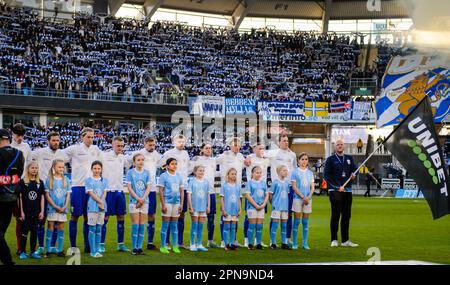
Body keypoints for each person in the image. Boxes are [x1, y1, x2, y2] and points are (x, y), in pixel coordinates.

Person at [63, 127, 102, 255]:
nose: (91, 139)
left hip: (91, 188)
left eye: (92, 137)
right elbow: (59, 157)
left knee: (88, 217)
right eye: (88, 137)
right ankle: (73, 246)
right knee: (75, 216)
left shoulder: (95, 150)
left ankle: (88, 245)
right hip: (77, 187)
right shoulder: (74, 149)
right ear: (82, 137)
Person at [30, 131, 67, 255]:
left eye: (57, 140)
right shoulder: (40, 152)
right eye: (53, 140)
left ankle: (52, 246)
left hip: (58, 192)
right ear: (48, 141)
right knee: (42, 219)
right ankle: (41, 246)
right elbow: (28, 159)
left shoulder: (63, 154)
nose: (56, 142)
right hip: (43, 190)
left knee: (56, 221)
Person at [324, 139, 359, 248]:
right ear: (335, 147)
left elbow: (354, 171)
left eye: (341, 144)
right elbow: (326, 175)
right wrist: (336, 186)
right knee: (335, 214)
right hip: (335, 191)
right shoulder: (330, 160)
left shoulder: (349, 158)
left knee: (346, 215)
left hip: (347, 190)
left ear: (344, 146)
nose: (339, 146)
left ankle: (345, 240)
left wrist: (354, 176)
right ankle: (334, 239)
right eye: (337, 145)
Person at [265, 134, 297, 247]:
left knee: (288, 214)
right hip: (277, 188)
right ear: (279, 142)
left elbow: (295, 170)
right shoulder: (273, 153)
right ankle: (272, 241)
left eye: (287, 141)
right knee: (274, 215)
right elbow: (260, 155)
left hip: (288, 188)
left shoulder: (292, 154)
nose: (286, 143)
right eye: (283, 141)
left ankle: (287, 239)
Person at [216, 137, 249, 248]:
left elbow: (246, 164)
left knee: (235, 217)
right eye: (235, 145)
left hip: (237, 189)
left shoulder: (240, 156)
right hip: (226, 189)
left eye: (239, 145)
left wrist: (249, 160)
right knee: (224, 215)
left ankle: (233, 240)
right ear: (230, 145)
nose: (237, 147)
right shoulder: (224, 155)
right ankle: (223, 240)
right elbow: (214, 161)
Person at [131, 137, 161, 251]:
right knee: (138, 217)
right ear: (145, 144)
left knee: (152, 215)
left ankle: (150, 242)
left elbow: (164, 162)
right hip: (139, 190)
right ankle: (137, 243)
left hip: (151, 189)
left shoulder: (157, 155)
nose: (152, 147)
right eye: (149, 145)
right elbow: (128, 161)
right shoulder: (138, 154)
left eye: (153, 145)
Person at [159, 135, 189, 249]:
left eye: (183, 141)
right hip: (170, 190)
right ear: (174, 142)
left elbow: (188, 168)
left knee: (181, 214)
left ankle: (179, 242)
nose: (181, 143)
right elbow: (161, 165)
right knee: (168, 217)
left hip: (183, 187)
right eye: (179, 141)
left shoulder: (186, 154)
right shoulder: (168, 153)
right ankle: (166, 242)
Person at [100, 136, 129, 253]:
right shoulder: (104, 156)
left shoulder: (123, 158)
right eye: (118, 146)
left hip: (120, 191)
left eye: (122, 146)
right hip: (108, 192)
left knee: (121, 217)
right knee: (105, 218)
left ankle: (120, 244)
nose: (120, 148)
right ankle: (101, 244)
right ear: (112, 145)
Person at [0, 128, 24, 265]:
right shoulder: (19, 154)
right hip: (12, 198)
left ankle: (8, 261)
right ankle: (6, 260)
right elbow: (18, 174)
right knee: (2, 231)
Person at [189, 143, 218, 248]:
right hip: (198, 193)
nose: (209, 150)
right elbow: (189, 170)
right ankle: (194, 242)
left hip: (211, 192)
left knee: (211, 217)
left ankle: (209, 240)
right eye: (206, 148)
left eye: (210, 148)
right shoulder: (197, 159)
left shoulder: (214, 160)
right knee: (196, 218)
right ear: (201, 149)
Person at [10, 123, 31, 255]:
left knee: (20, 218)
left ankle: (19, 248)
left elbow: (28, 164)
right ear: (12, 134)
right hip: (6, 186)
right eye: (18, 135)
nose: (20, 138)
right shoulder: (7, 146)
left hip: (21, 186)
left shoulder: (26, 146)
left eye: (22, 136)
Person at [244, 143, 270, 248]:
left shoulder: (266, 160)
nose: (262, 150)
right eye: (260, 148)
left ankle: (257, 241)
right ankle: (247, 240)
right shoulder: (250, 158)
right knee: (249, 220)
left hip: (262, 195)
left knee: (259, 223)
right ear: (254, 149)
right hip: (252, 195)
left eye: (263, 148)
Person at [18, 161, 45, 260]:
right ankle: (23, 252)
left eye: (36, 168)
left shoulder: (40, 182)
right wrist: (21, 212)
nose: (34, 170)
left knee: (34, 232)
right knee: (24, 232)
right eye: (32, 168)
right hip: (26, 212)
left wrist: (42, 211)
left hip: (36, 213)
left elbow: (42, 198)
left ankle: (33, 252)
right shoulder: (23, 182)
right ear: (28, 169)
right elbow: (20, 198)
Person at [44, 159, 71, 257]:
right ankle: (48, 250)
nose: (61, 168)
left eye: (63, 167)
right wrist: (55, 206)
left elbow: (68, 195)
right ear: (54, 167)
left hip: (63, 209)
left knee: (61, 227)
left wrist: (64, 206)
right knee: (50, 226)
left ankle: (59, 250)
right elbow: (47, 195)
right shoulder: (49, 180)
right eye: (59, 167)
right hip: (52, 208)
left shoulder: (66, 180)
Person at [126, 153, 151, 255]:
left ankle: (139, 247)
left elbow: (148, 187)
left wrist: (143, 199)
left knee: (142, 224)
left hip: (145, 201)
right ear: (134, 162)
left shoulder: (147, 173)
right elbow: (129, 187)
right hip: (134, 202)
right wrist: (138, 199)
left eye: (142, 160)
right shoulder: (130, 172)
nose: (141, 162)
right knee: (135, 224)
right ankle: (134, 248)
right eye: (138, 160)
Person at [158, 158, 184, 254]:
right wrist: (163, 204)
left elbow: (181, 191)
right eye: (172, 164)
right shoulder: (163, 176)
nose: (174, 165)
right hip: (167, 203)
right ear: (167, 166)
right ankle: (163, 246)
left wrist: (181, 204)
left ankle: (175, 246)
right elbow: (160, 191)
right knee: (165, 225)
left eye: (176, 164)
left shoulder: (179, 176)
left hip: (176, 203)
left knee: (174, 226)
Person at [290, 153, 315, 250]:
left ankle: (305, 243)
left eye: (306, 159)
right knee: (296, 221)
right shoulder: (295, 172)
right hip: (298, 198)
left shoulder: (310, 173)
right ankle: (295, 243)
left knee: (305, 221)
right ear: (298, 161)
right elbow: (294, 187)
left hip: (308, 200)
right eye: (302, 159)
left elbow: (312, 187)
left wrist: (308, 197)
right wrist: (303, 197)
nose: (304, 161)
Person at [85, 161, 109, 258]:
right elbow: (91, 193)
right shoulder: (88, 180)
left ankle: (97, 249)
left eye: (98, 168)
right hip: (92, 207)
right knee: (92, 228)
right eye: (95, 168)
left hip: (102, 206)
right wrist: (100, 202)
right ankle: (92, 251)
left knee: (99, 228)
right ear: (91, 169)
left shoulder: (105, 180)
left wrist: (102, 202)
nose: (97, 170)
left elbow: (105, 192)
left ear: (101, 169)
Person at [187, 165, 211, 252]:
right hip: (195, 207)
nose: (201, 172)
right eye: (200, 170)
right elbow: (189, 195)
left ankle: (199, 244)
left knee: (201, 226)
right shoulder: (191, 182)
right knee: (194, 225)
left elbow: (208, 194)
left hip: (203, 207)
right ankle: (192, 244)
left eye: (203, 170)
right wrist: (190, 207)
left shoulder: (206, 182)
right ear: (195, 172)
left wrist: (208, 206)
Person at [269, 165, 291, 250]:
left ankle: (284, 243)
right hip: (277, 207)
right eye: (283, 170)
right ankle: (273, 243)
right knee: (275, 225)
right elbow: (270, 194)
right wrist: (273, 203)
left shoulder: (287, 183)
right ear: (278, 172)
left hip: (284, 207)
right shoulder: (275, 182)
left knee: (284, 225)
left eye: (286, 170)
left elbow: (287, 195)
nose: (286, 172)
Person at [220, 168, 241, 251]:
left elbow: (239, 199)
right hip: (227, 210)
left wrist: (240, 209)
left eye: (235, 174)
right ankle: (226, 244)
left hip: (235, 210)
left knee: (233, 227)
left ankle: (232, 243)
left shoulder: (238, 186)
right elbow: (222, 199)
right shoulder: (224, 186)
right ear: (228, 175)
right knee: (226, 227)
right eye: (232, 174)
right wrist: (223, 210)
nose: (234, 175)